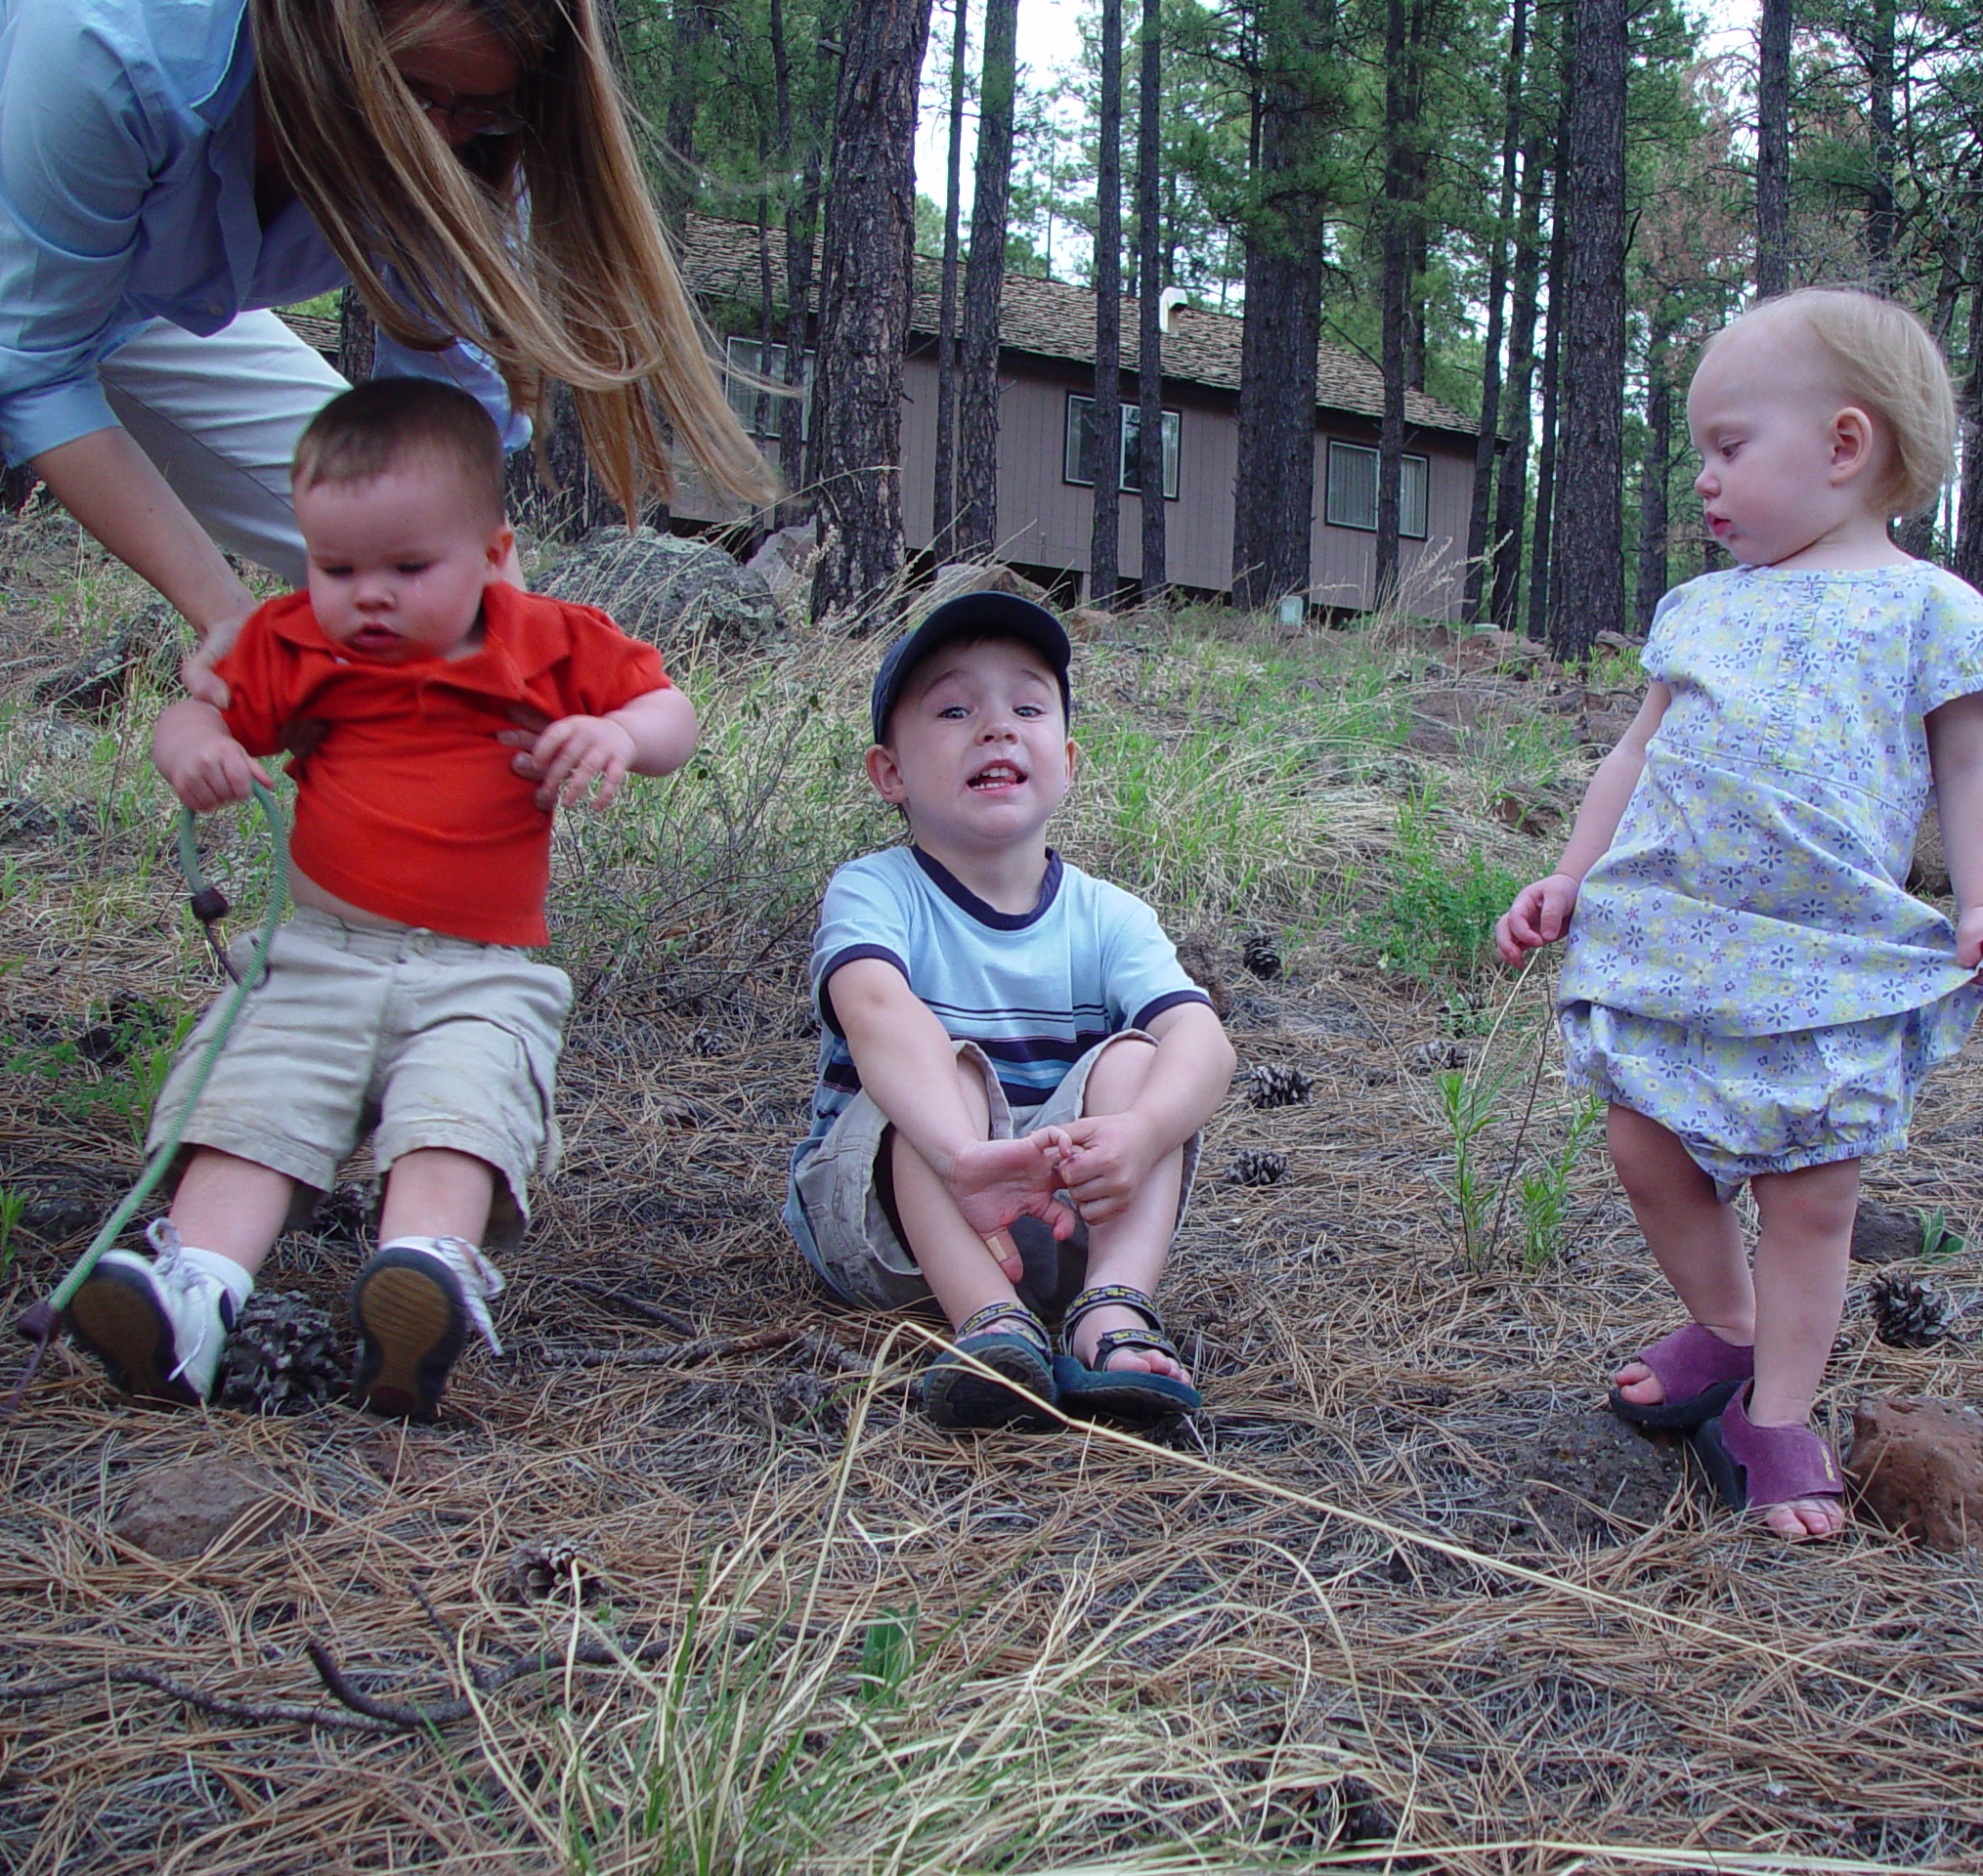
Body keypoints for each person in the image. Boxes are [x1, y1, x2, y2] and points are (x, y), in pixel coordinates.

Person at [1493, 288, 1983, 1542]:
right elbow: (1633, 758)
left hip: (1828, 958)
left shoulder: (1932, 616)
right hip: (1672, 934)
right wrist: (1569, 873)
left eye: (1729, 448)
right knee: (1644, 1151)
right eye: (1699, 455)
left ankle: (1774, 1413)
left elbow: (1969, 770)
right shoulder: (1704, 610)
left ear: (1843, 446)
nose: (1704, 482)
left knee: (1811, 1197)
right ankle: (1728, 1333)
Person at [65, 377, 698, 1420]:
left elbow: (669, 712)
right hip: (320, 948)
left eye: (407, 568)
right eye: (335, 565)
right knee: (252, 1106)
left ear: (494, 556)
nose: (367, 594)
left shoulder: (547, 639)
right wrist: (199, 751)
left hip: (478, 970)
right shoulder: (296, 644)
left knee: (460, 1105)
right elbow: (196, 713)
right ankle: (197, 1290)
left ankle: (424, 1277)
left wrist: (620, 736)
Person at [0, 0, 770, 701]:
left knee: (405, 555)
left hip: (136, 299)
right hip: (29, 269)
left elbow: (438, 443)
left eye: (481, 109)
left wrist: (491, 656)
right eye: (412, 93)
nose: (434, 139)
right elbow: (36, 371)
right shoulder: (103, 44)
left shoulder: (471, 146)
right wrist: (229, 617)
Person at [784, 591, 1235, 1432]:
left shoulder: (1110, 916)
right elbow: (876, 1007)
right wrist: (962, 1156)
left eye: (1026, 707)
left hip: (1061, 1223)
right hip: (892, 1226)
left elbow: (1203, 1042)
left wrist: (1137, 1136)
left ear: (1065, 760)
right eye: (954, 709)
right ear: (891, 774)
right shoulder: (877, 890)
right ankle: (988, 1327)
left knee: (1143, 1061)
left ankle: (1111, 1308)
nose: (996, 728)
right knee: (929, 1065)